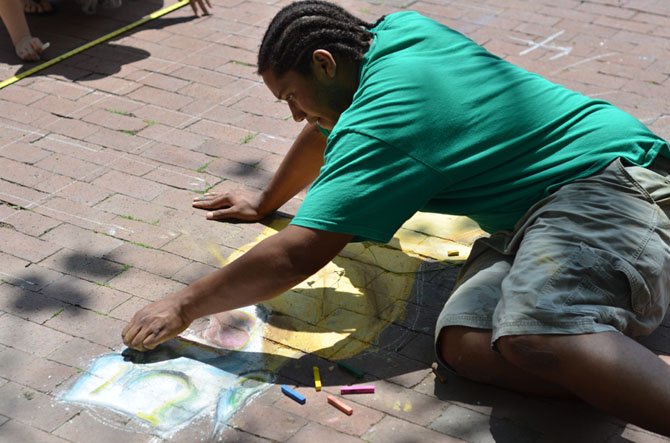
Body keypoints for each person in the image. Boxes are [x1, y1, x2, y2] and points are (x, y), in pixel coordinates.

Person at [122, 0, 670, 436]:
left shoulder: (386, 118)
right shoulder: (395, 35)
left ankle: (598, 353)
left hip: (611, 187)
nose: (294, 113)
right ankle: (612, 370)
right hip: (530, 216)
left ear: (323, 62)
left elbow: (298, 253)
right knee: (465, 347)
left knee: (539, 335)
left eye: (291, 95)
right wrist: (266, 203)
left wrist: (182, 304)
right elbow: (325, 125)